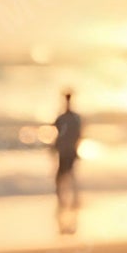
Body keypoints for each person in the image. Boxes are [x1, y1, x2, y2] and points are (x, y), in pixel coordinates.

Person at [53, 90, 82, 234]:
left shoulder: (64, 118)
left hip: (66, 149)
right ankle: (68, 200)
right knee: (67, 175)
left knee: (63, 176)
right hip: (67, 149)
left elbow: (60, 133)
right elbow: (78, 135)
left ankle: (64, 201)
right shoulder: (74, 118)